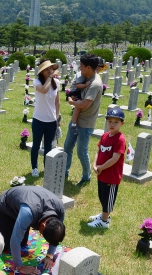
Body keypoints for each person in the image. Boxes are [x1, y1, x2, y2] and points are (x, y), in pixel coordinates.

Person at [0, 186, 66, 275]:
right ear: (43, 226)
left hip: (25, 208)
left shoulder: (60, 210)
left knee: (22, 245)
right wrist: (20, 267)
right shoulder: (28, 213)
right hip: (5, 207)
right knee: (4, 246)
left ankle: (18, 224)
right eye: (42, 234)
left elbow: (56, 237)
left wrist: (49, 255)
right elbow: (15, 241)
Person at [63, 54, 106, 187]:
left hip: (86, 123)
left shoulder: (95, 84)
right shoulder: (85, 78)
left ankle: (86, 176)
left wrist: (71, 101)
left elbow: (85, 104)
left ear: (88, 67)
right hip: (76, 119)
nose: (79, 68)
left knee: (82, 152)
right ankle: (64, 171)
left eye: (81, 66)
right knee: (67, 147)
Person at [87, 108, 126, 229]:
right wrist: (94, 164)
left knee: (109, 198)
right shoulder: (105, 136)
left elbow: (115, 158)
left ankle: (104, 221)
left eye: (116, 122)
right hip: (102, 174)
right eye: (110, 121)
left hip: (111, 176)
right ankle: (104, 215)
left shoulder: (120, 139)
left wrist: (102, 167)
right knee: (102, 196)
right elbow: (98, 151)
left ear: (122, 123)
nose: (112, 124)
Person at [30, 58, 61, 177]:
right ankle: (34, 168)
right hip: (38, 119)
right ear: (41, 71)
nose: (50, 71)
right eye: (47, 69)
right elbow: (43, 90)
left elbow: (57, 102)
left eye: (51, 68)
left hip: (51, 120)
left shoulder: (56, 83)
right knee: (36, 145)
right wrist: (50, 78)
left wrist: (57, 117)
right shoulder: (37, 82)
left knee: (48, 146)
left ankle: (46, 167)